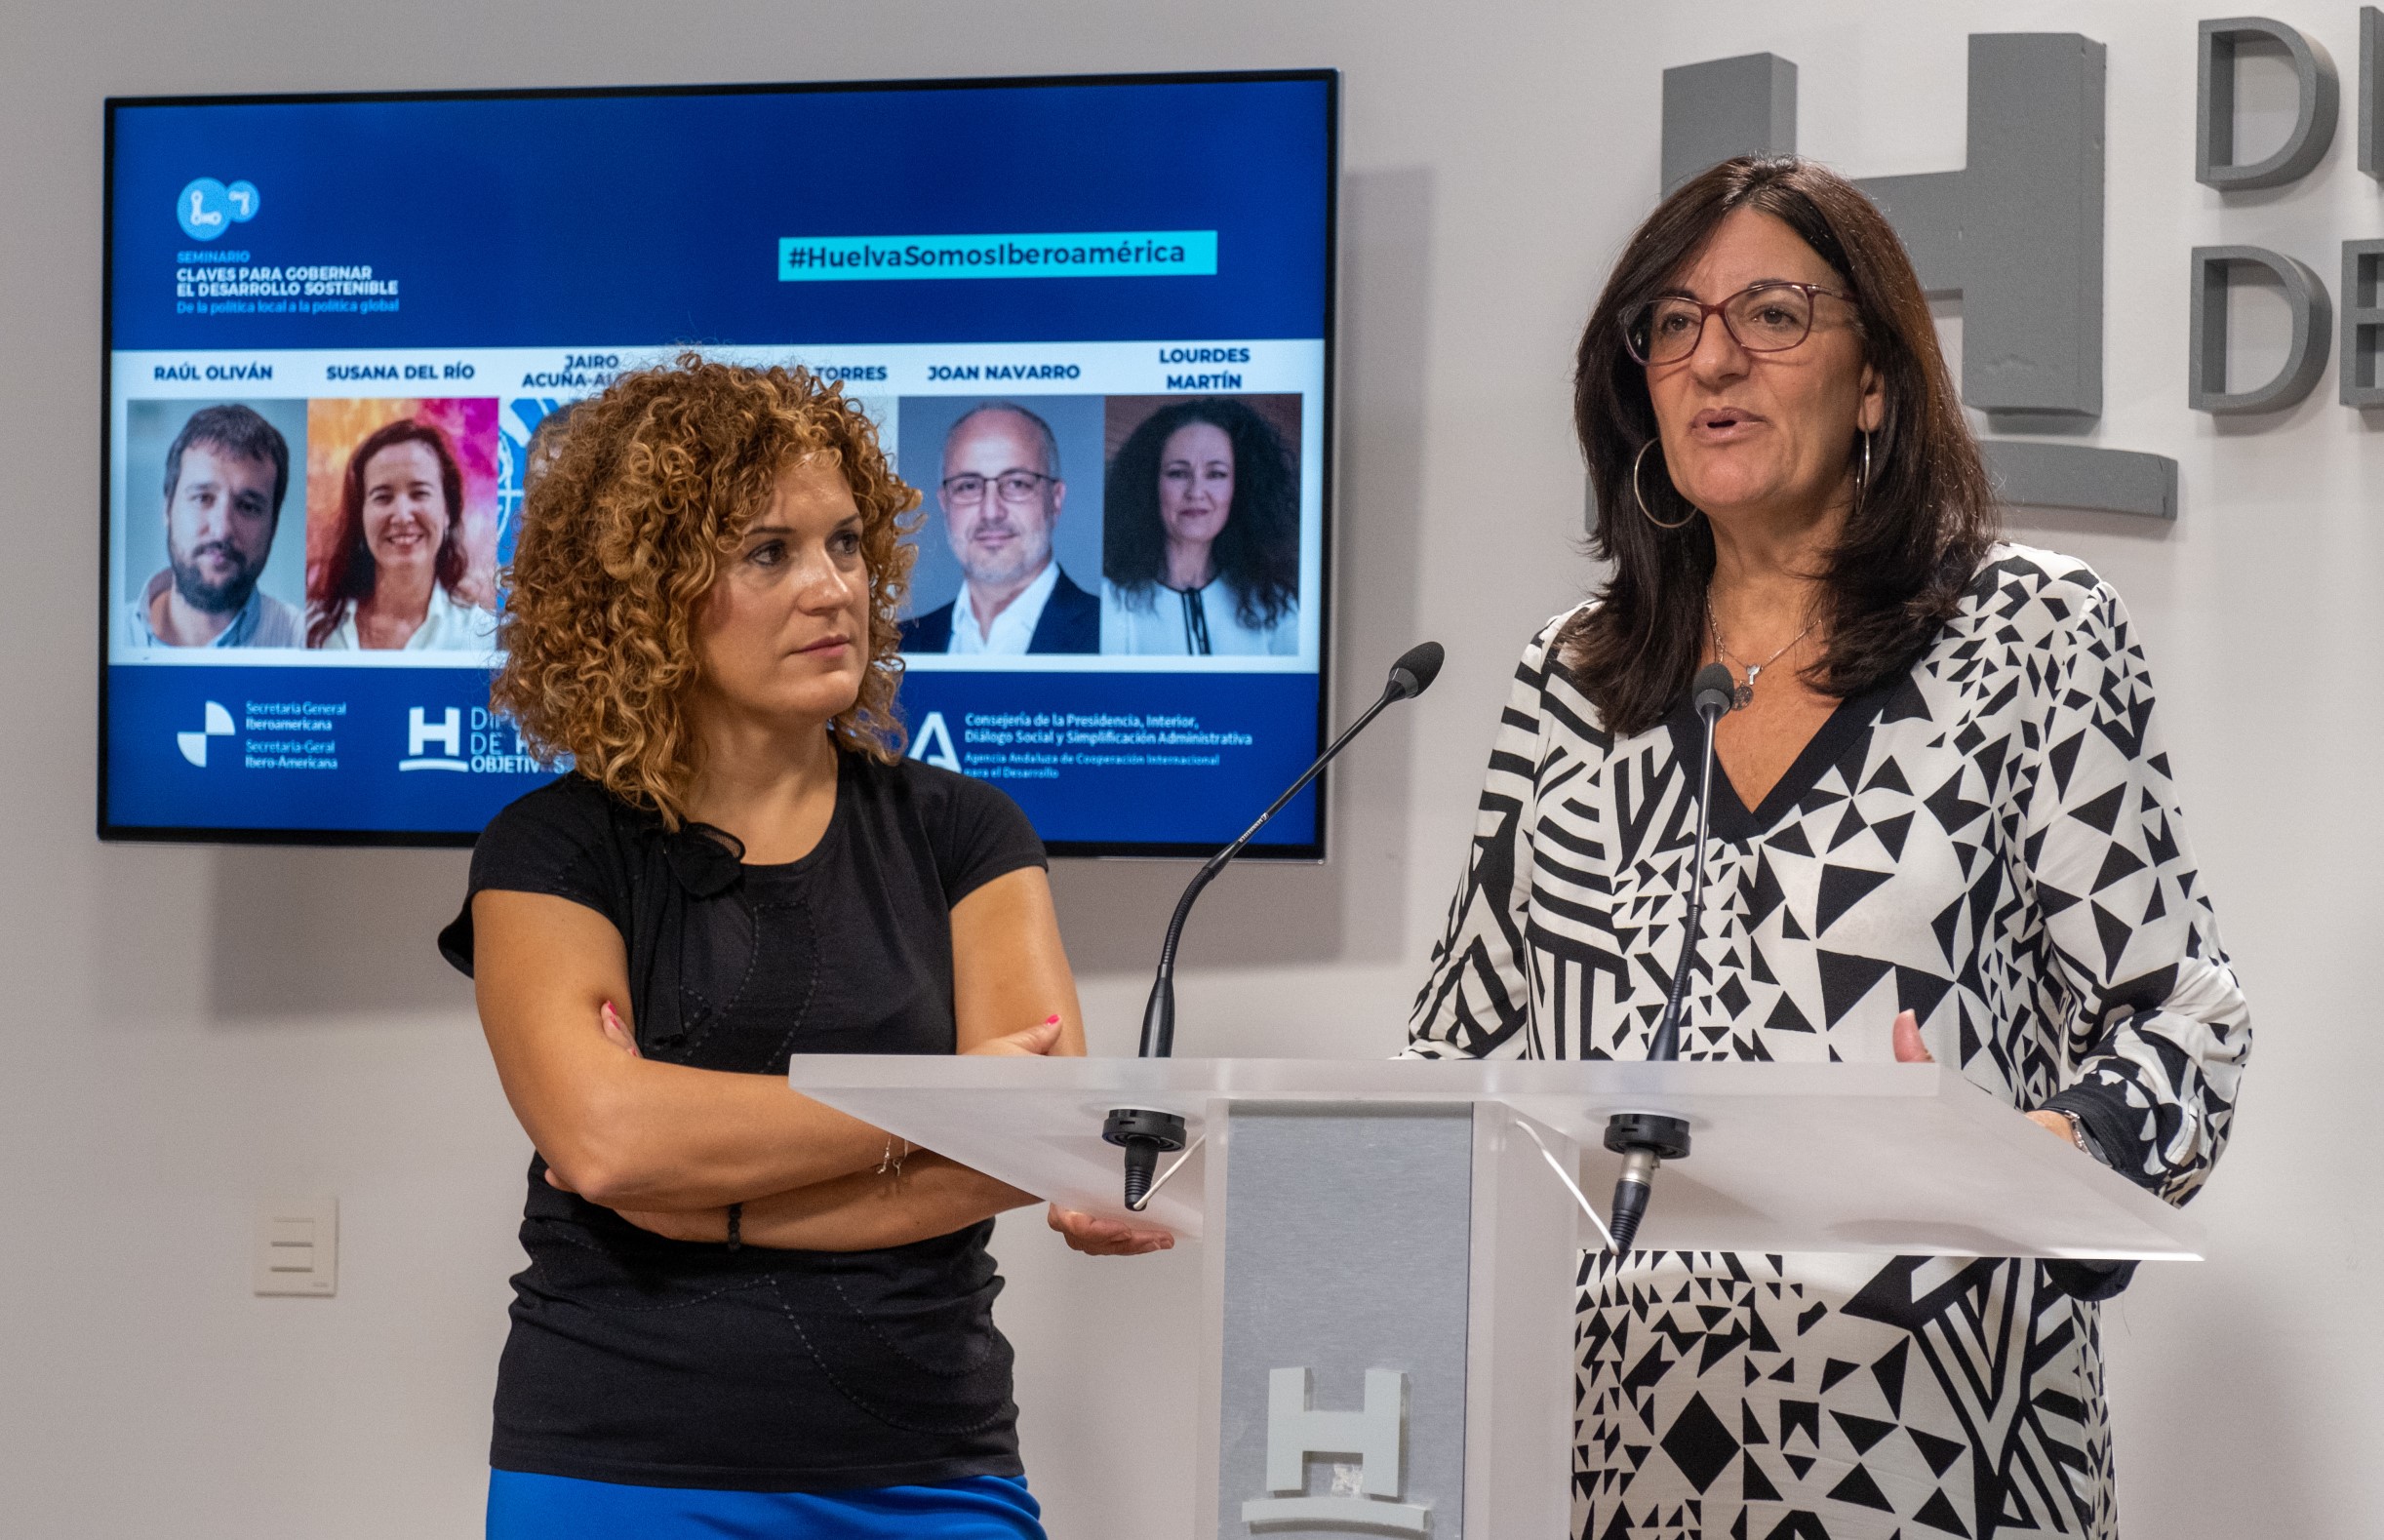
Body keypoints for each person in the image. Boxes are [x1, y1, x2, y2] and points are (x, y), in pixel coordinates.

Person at [1406, 157, 2249, 1540]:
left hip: (1936, 1448)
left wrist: (2044, 1146)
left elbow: (2184, 1014)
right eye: (1671, 323)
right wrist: (1213, 1182)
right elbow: (1456, 1054)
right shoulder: (1573, 677)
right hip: (1626, 1449)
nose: (1711, 358)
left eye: (1771, 314)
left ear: (1874, 381)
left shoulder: (2026, 635)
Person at [437, 356, 1165, 1540]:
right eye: (768, 552)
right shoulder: (552, 847)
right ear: (650, 593)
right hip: (620, 1462)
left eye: (845, 545)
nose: (833, 590)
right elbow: (608, 1140)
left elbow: (1032, 1137)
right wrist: (941, 1099)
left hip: (927, 1461)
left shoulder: (964, 832)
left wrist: (709, 1203)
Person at [1099, 397, 1299, 654]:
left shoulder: (1272, 603)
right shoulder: (1109, 600)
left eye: (1216, 474)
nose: (1196, 492)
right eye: (1178, 473)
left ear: (1241, 487)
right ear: (1150, 484)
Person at [900, 403, 1099, 654]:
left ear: (1056, 500)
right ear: (944, 503)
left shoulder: (1104, 632)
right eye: (968, 486)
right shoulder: (901, 643)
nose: (991, 512)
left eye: (1017, 483)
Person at [307, 417, 498, 651]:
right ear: (360, 516)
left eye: (419, 493)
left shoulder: (484, 637)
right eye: (383, 497)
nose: (402, 516)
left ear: (447, 510)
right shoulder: (312, 629)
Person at [128, 403, 302, 648]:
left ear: (273, 525)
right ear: (167, 509)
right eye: (203, 498)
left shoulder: (303, 641)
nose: (222, 530)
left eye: (248, 506)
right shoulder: (108, 633)